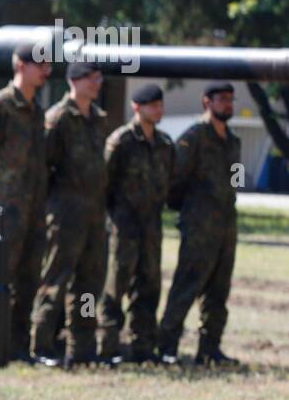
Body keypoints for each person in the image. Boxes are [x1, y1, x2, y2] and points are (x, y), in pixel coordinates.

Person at [0, 38, 53, 365]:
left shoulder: (37, 112)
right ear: (21, 66)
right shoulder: (0, 105)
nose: (47, 71)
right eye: (40, 64)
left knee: (28, 276)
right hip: (4, 204)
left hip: (33, 205)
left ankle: (17, 346)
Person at [157, 82, 242, 366]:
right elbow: (175, 179)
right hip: (199, 226)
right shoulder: (194, 138)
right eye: (222, 99)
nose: (228, 104)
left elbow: (236, 181)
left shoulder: (234, 141)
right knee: (187, 286)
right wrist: (191, 212)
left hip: (226, 226)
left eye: (231, 99)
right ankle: (166, 346)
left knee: (219, 290)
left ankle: (210, 348)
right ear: (207, 102)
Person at [30, 61, 109, 367]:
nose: (97, 82)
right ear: (75, 80)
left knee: (89, 284)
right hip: (65, 212)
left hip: (94, 213)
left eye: (99, 77)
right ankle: (42, 344)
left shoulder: (98, 120)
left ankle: (82, 346)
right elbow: (43, 167)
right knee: (55, 279)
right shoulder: (58, 118)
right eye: (92, 77)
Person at [98, 84, 174, 364]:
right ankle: (107, 346)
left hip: (151, 226)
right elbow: (104, 184)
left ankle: (143, 347)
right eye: (153, 105)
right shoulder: (121, 141)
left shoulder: (165, 144)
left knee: (149, 285)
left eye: (160, 105)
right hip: (123, 225)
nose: (158, 110)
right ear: (137, 108)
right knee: (115, 287)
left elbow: (170, 183)